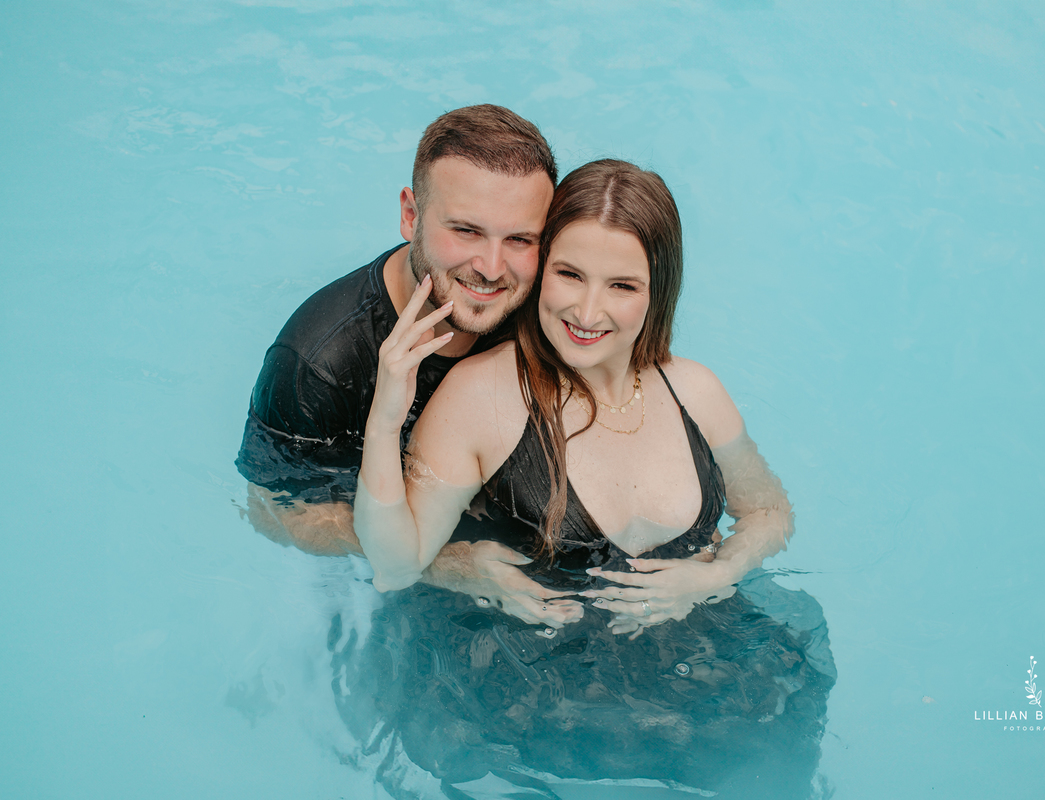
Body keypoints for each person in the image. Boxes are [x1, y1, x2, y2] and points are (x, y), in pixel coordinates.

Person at [341, 160, 836, 798]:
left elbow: (769, 512)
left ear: (658, 290)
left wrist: (713, 574)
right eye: (569, 274)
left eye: (622, 286)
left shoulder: (694, 391)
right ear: (541, 269)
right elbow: (396, 564)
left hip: (692, 669)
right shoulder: (481, 401)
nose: (588, 310)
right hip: (534, 691)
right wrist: (385, 420)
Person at [235, 104, 584, 626]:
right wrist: (449, 565)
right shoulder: (316, 361)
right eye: (465, 230)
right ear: (410, 215)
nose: (490, 269)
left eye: (519, 239)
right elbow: (274, 513)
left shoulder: (548, 305)